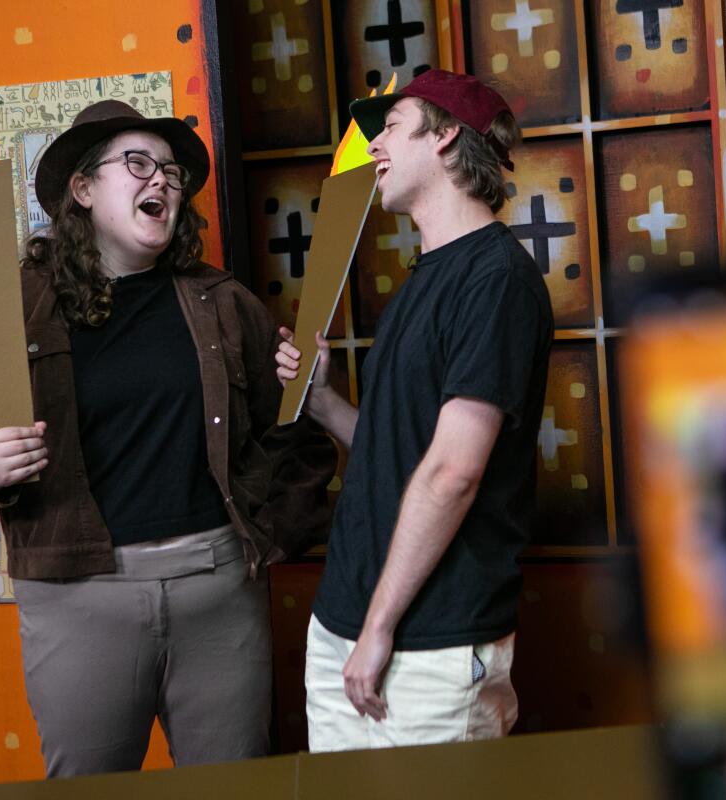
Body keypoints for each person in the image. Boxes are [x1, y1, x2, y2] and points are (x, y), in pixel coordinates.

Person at [0, 100, 335, 777]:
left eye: (171, 171)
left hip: (218, 592)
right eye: (138, 164)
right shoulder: (13, 305)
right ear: (82, 189)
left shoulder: (224, 303)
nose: (163, 182)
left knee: (235, 786)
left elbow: (297, 438)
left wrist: (261, 540)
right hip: (78, 596)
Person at [276, 69, 554, 752]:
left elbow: (454, 472)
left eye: (392, 127)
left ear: (447, 136)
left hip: (426, 643)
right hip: (349, 628)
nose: (374, 147)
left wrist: (379, 628)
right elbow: (402, 451)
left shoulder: (496, 279)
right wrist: (325, 402)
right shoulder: (423, 278)